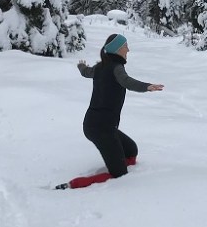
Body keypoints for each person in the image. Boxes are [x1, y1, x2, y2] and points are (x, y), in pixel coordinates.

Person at [56, 33, 164, 189]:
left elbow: (86, 72)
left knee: (131, 151)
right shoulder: (116, 68)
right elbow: (126, 81)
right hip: (101, 128)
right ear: (117, 49)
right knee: (119, 173)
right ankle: (73, 185)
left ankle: (115, 159)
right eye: (125, 46)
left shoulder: (100, 67)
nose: (128, 50)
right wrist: (146, 86)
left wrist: (81, 66)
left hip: (99, 125)